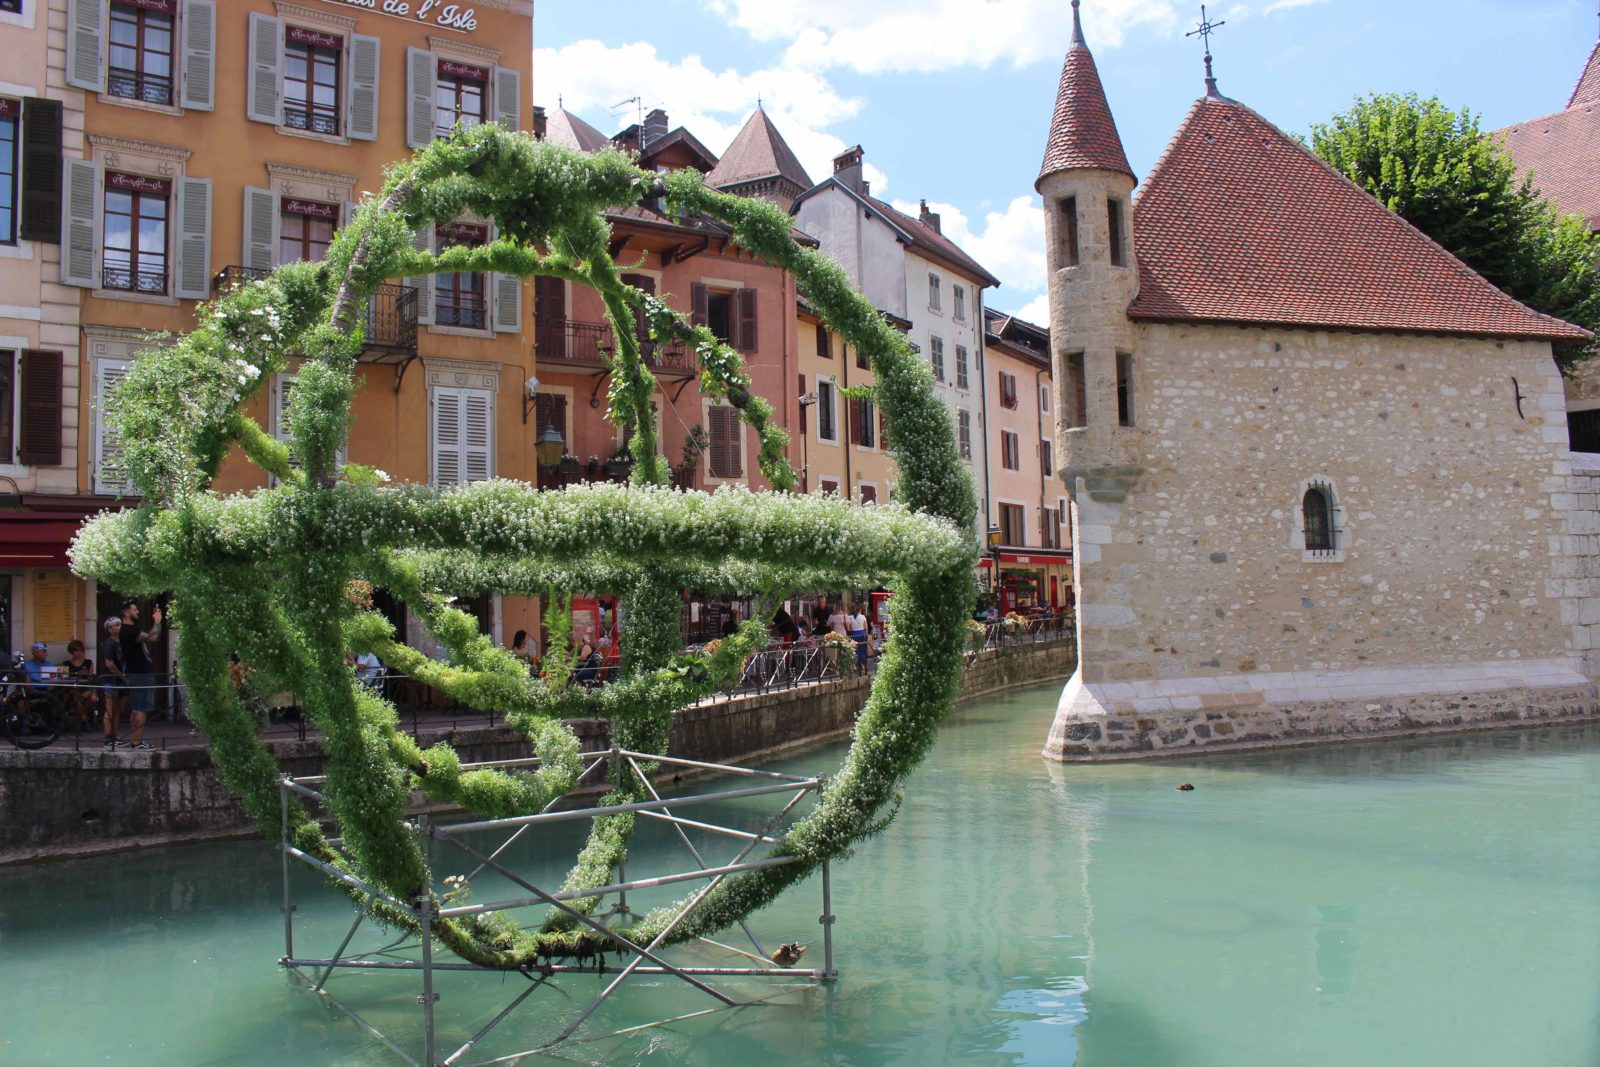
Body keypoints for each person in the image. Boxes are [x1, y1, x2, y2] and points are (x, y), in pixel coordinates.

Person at [120, 600, 163, 751]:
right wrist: (157, 621)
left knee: (138, 708)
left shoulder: (130, 630)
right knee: (140, 708)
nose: (137, 612)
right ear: (126, 613)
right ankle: (137, 742)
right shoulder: (128, 630)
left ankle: (135, 739)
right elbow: (152, 638)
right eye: (134, 609)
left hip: (139, 673)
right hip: (139, 674)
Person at [100, 617, 126, 748]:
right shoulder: (109, 644)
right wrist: (121, 675)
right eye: (116, 625)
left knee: (118, 709)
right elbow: (109, 664)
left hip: (122, 680)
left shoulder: (123, 642)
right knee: (109, 709)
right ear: (110, 629)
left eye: (120, 624)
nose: (119, 626)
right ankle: (108, 738)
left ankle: (116, 735)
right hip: (111, 679)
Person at [59, 639, 97, 729]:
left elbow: (91, 678)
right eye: (75, 651)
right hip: (72, 689)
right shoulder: (66, 664)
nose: (78, 653)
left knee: (93, 698)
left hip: (84, 688)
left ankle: (84, 716)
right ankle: (84, 718)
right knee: (75, 696)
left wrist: (87, 674)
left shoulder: (88, 663)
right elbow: (63, 678)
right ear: (72, 652)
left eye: (80, 650)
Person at [849, 605, 869, 670]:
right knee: (862, 650)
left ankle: (855, 665)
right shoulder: (863, 617)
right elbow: (866, 628)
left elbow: (849, 628)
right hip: (862, 634)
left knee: (855, 650)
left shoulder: (850, 617)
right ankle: (862, 664)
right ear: (860, 610)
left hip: (854, 634)